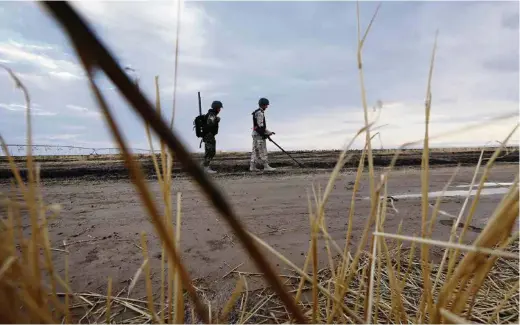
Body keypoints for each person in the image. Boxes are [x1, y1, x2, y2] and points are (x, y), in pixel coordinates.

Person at [250, 97, 276, 172]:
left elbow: (259, 127)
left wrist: (269, 133)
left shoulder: (257, 112)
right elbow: (260, 126)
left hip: (255, 134)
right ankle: (266, 166)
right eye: (266, 105)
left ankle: (252, 167)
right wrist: (264, 134)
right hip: (259, 135)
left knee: (255, 151)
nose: (267, 107)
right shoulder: (260, 113)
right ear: (263, 105)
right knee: (262, 150)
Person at [202, 100, 222, 174]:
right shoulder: (212, 114)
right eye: (219, 108)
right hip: (209, 135)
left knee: (210, 152)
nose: (220, 110)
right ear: (216, 108)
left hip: (209, 135)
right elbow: (210, 124)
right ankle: (205, 168)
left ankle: (205, 167)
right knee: (210, 152)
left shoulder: (211, 114)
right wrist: (217, 120)